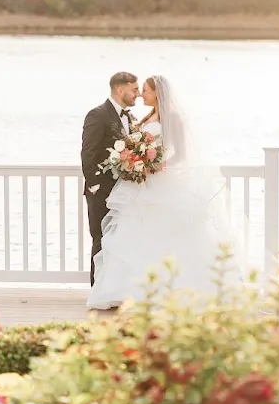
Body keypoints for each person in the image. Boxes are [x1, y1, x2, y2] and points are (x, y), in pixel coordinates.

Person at [86, 74, 243, 310]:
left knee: (164, 234)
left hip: (159, 182)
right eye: (139, 90)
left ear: (157, 93)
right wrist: (134, 162)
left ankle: (169, 289)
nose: (141, 95)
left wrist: (159, 165)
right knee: (136, 236)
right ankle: (132, 290)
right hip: (141, 184)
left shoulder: (173, 117)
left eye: (145, 90)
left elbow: (181, 153)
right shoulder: (146, 117)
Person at [80, 71, 140, 285]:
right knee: (101, 240)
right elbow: (88, 152)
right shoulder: (98, 115)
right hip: (101, 192)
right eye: (134, 89)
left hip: (122, 192)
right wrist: (94, 186)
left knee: (119, 241)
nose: (138, 94)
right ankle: (97, 290)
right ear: (120, 90)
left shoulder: (130, 118)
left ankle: (114, 288)